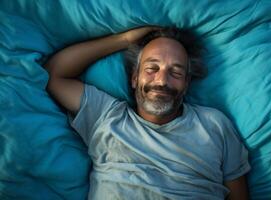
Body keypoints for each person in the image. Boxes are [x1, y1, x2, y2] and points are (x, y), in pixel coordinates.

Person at [45, 27, 251, 200]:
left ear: (187, 84)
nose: (162, 81)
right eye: (152, 68)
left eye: (176, 72)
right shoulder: (106, 115)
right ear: (135, 78)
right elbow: (55, 74)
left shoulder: (214, 124)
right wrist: (124, 39)